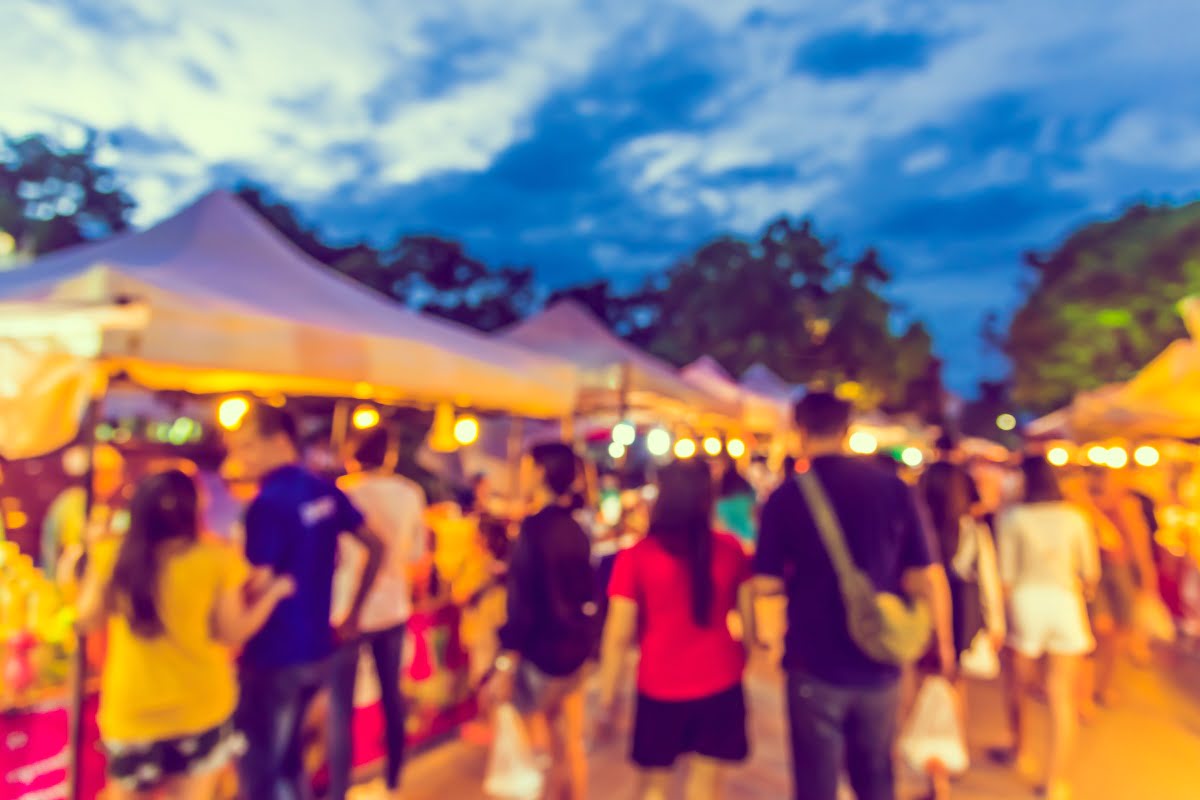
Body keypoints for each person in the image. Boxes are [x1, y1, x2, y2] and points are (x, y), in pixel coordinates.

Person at [752, 392, 954, 800]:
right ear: (848, 431)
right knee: (877, 776)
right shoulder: (894, 489)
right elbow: (926, 577)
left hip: (812, 660)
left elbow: (765, 585)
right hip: (880, 660)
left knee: (815, 783)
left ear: (799, 430)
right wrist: (943, 645)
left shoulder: (785, 498)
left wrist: (767, 639)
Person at [76, 470, 295, 800]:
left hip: (132, 712)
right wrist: (272, 594)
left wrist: (94, 554)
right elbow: (231, 632)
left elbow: (86, 620)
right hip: (200, 709)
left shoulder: (112, 554)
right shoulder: (215, 559)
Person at [225, 404, 384, 800]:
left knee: (262, 769)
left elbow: (256, 584)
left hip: (273, 654)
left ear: (278, 441)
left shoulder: (268, 502)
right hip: (316, 649)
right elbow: (376, 546)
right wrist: (354, 614)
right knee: (291, 760)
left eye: (247, 446)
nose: (241, 458)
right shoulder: (323, 489)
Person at [598, 460, 753, 800]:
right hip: (721, 680)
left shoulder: (636, 556)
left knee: (654, 785)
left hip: (659, 685)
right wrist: (744, 657)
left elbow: (616, 637)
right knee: (706, 787)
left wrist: (607, 697)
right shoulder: (730, 550)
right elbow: (749, 627)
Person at [487, 442, 599, 800]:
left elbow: (521, 606)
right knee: (570, 744)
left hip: (543, 656)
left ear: (539, 473)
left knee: (545, 751)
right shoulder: (576, 527)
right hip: (575, 651)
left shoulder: (535, 530)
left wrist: (506, 662)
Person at [327, 430, 428, 800]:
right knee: (391, 695)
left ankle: (339, 790)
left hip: (347, 613)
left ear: (354, 455)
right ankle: (394, 778)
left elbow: (333, 555)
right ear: (389, 456)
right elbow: (417, 553)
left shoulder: (344, 491)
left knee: (341, 709)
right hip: (393, 608)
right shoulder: (410, 493)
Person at [994, 457, 1099, 800]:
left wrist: (1001, 618)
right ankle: (1055, 780)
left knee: (1018, 685)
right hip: (1066, 604)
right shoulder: (1076, 518)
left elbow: (1005, 577)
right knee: (1061, 696)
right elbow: (1090, 573)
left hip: (1026, 603)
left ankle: (1019, 746)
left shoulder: (1013, 518)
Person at [915, 460, 1005, 800]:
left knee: (922, 687)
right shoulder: (973, 530)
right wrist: (995, 624)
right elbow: (988, 580)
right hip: (963, 618)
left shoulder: (917, 527)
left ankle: (929, 770)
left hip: (924, 617)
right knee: (955, 689)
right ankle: (947, 767)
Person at [714, 456, 758, 552]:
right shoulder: (747, 488)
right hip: (749, 540)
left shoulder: (718, 494)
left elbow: (718, 523)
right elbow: (754, 514)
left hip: (728, 543)